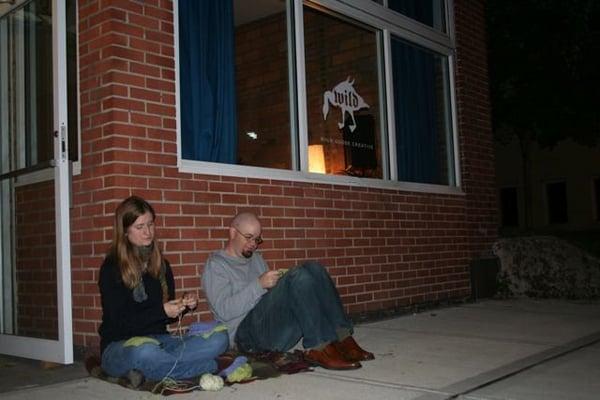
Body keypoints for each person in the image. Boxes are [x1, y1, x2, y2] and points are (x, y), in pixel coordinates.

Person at [202, 212, 375, 370]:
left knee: (313, 268)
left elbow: (267, 300)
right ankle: (318, 347)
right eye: (248, 237)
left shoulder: (256, 259)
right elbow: (224, 310)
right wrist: (259, 284)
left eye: (257, 239)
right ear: (232, 232)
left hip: (271, 331)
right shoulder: (217, 265)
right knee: (298, 276)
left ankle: (343, 338)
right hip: (245, 338)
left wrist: (278, 286)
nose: (253, 244)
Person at [98, 196, 228, 383]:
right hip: (121, 345)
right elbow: (119, 321)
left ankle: (153, 371)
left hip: (160, 341)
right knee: (144, 352)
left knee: (220, 338)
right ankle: (210, 367)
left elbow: (168, 317)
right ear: (125, 231)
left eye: (150, 225)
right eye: (140, 227)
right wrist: (161, 311)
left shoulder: (161, 265)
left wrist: (183, 304)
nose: (147, 232)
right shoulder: (112, 268)